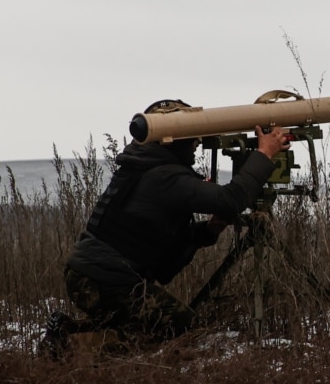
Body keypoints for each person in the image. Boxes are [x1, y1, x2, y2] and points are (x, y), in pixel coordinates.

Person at [39, 98, 289, 358]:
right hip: (104, 281)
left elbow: (159, 240)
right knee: (178, 328)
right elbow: (232, 200)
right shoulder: (164, 177)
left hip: (92, 276)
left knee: (136, 321)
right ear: (173, 141)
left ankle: (69, 330)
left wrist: (209, 231)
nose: (197, 145)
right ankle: (67, 349)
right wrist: (264, 154)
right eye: (192, 139)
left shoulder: (146, 169)